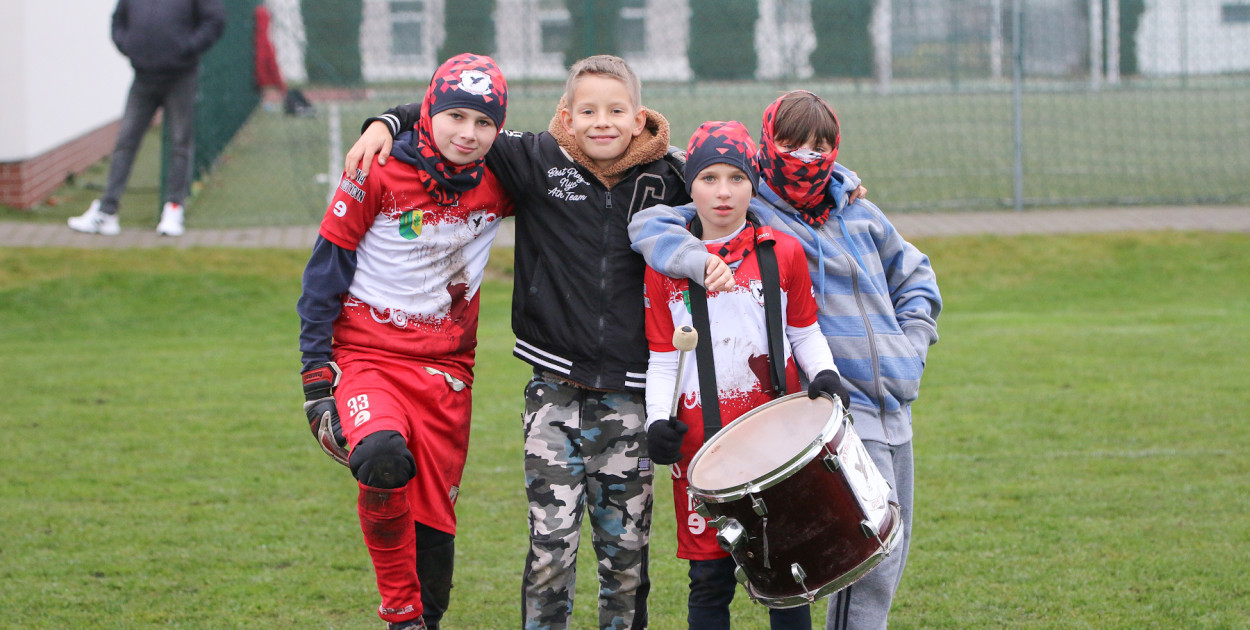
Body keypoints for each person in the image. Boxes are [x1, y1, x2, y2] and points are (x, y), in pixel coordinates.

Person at [346, 54, 691, 630]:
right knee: (551, 552)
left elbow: (735, 180)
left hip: (633, 395)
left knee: (626, 558)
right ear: (566, 116)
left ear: (639, 118)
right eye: (587, 111)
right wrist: (385, 122)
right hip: (552, 391)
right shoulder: (533, 158)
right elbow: (451, 112)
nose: (601, 122)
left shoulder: (674, 177)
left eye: (616, 111)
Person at [630, 91, 942, 630]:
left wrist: (909, 347)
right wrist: (691, 255)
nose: (805, 160)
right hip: (828, 412)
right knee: (859, 555)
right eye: (791, 146)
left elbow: (914, 276)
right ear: (766, 151)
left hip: (893, 402)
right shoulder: (758, 213)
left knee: (889, 544)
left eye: (820, 149)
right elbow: (658, 220)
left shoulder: (859, 212)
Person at [296, 53, 512, 630]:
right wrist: (315, 380)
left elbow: (578, 158)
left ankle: (421, 616)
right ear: (429, 112)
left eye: (484, 122)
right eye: (455, 116)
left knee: (434, 547)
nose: (468, 133)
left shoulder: (503, 175)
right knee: (381, 457)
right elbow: (323, 274)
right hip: (367, 358)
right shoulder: (378, 167)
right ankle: (398, 612)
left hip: (447, 374)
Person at [642, 120, 850, 630]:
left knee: (790, 578)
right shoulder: (665, 264)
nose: (723, 192)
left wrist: (824, 374)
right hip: (702, 448)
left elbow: (804, 331)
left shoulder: (783, 252)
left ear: (752, 184)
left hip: (778, 444)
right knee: (708, 581)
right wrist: (656, 421)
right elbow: (664, 357)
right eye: (708, 178)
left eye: (736, 178)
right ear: (689, 185)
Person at [67, 0, 225, 237]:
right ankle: (107, 212)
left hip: (181, 76)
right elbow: (118, 20)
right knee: (125, 141)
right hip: (143, 77)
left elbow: (214, 21)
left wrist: (187, 47)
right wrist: (129, 45)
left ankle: (174, 209)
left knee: (180, 142)